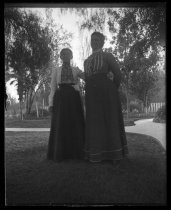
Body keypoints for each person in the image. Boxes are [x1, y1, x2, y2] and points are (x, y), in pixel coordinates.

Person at [83, 31, 128, 164]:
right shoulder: (86, 60)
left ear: (102, 42)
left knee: (109, 121)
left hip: (107, 92)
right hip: (91, 93)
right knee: (94, 123)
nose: (94, 42)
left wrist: (113, 90)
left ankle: (114, 154)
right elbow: (87, 78)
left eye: (97, 40)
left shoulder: (108, 56)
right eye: (92, 40)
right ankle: (96, 154)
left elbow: (118, 74)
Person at [47, 48, 85, 162]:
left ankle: (77, 152)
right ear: (60, 57)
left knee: (75, 123)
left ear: (71, 56)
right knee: (61, 123)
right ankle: (60, 153)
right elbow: (53, 87)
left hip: (74, 98)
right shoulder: (56, 70)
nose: (65, 55)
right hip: (60, 98)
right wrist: (51, 103)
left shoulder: (76, 69)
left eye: (68, 53)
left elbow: (88, 77)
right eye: (63, 54)